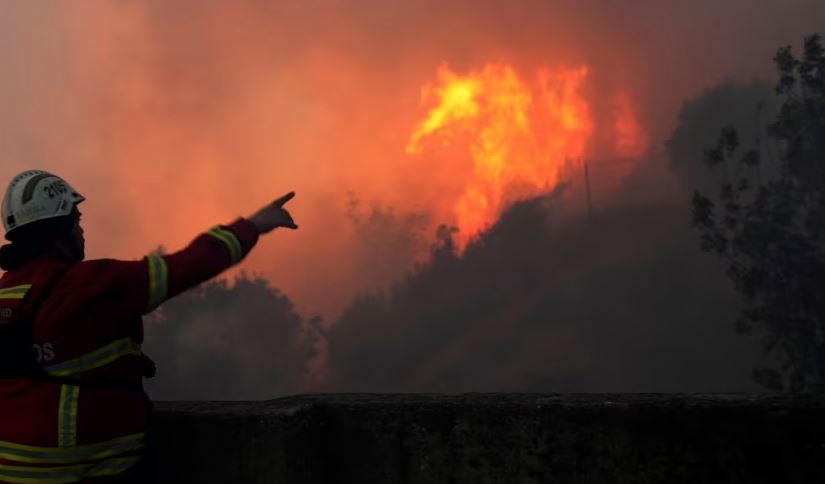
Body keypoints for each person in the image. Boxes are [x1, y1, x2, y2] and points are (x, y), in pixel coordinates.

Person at [0, 170, 297, 482]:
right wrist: (254, 225)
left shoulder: (5, 295)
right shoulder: (90, 285)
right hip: (85, 467)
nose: (81, 230)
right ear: (61, 227)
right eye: (77, 220)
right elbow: (190, 264)